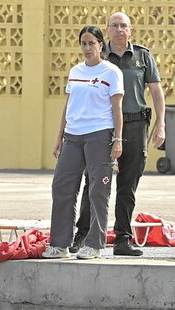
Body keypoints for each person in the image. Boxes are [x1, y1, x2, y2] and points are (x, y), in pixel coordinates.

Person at [71, 12, 165, 257]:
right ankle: (83, 235)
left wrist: (161, 124)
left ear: (130, 30)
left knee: (128, 184)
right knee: (94, 181)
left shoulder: (142, 56)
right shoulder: (99, 57)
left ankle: (123, 238)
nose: (119, 29)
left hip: (134, 125)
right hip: (103, 127)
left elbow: (156, 90)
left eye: (124, 25)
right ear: (107, 30)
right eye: (115, 26)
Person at [42, 25, 123, 261]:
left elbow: (117, 108)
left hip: (100, 135)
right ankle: (59, 244)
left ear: (101, 45)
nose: (87, 48)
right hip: (73, 136)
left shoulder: (111, 72)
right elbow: (69, 106)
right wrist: (59, 137)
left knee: (98, 190)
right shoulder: (75, 71)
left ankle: (95, 245)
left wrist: (118, 139)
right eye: (84, 44)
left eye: (92, 43)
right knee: (62, 187)